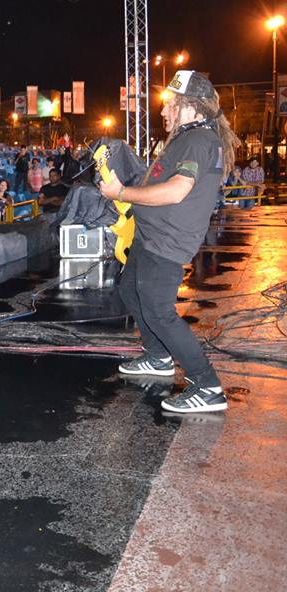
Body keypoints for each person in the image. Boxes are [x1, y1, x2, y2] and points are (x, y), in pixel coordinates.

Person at [100, 70, 241, 413]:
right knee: (130, 290)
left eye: (171, 105)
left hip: (167, 242)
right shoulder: (187, 138)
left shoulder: (199, 141)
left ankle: (207, 386)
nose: (163, 112)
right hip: (150, 236)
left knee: (159, 311)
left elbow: (177, 190)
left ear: (192, 108)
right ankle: (158, 357)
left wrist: (121, 192)